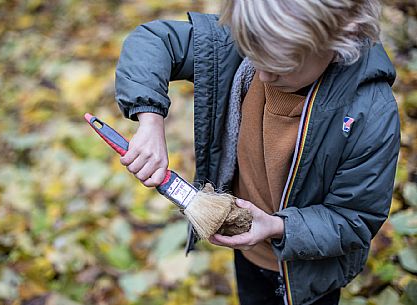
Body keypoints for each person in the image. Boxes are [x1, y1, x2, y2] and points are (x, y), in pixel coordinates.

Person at [114, 1, 400, 304]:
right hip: (248, 251)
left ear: (339, 37)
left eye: (278, 67)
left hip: (309, 269)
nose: (262, 76)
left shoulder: (368, 114)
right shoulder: (244, 49)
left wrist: (276, 226)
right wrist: (149, 119)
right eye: (254, 56)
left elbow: (354, 218)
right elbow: (153, 41)